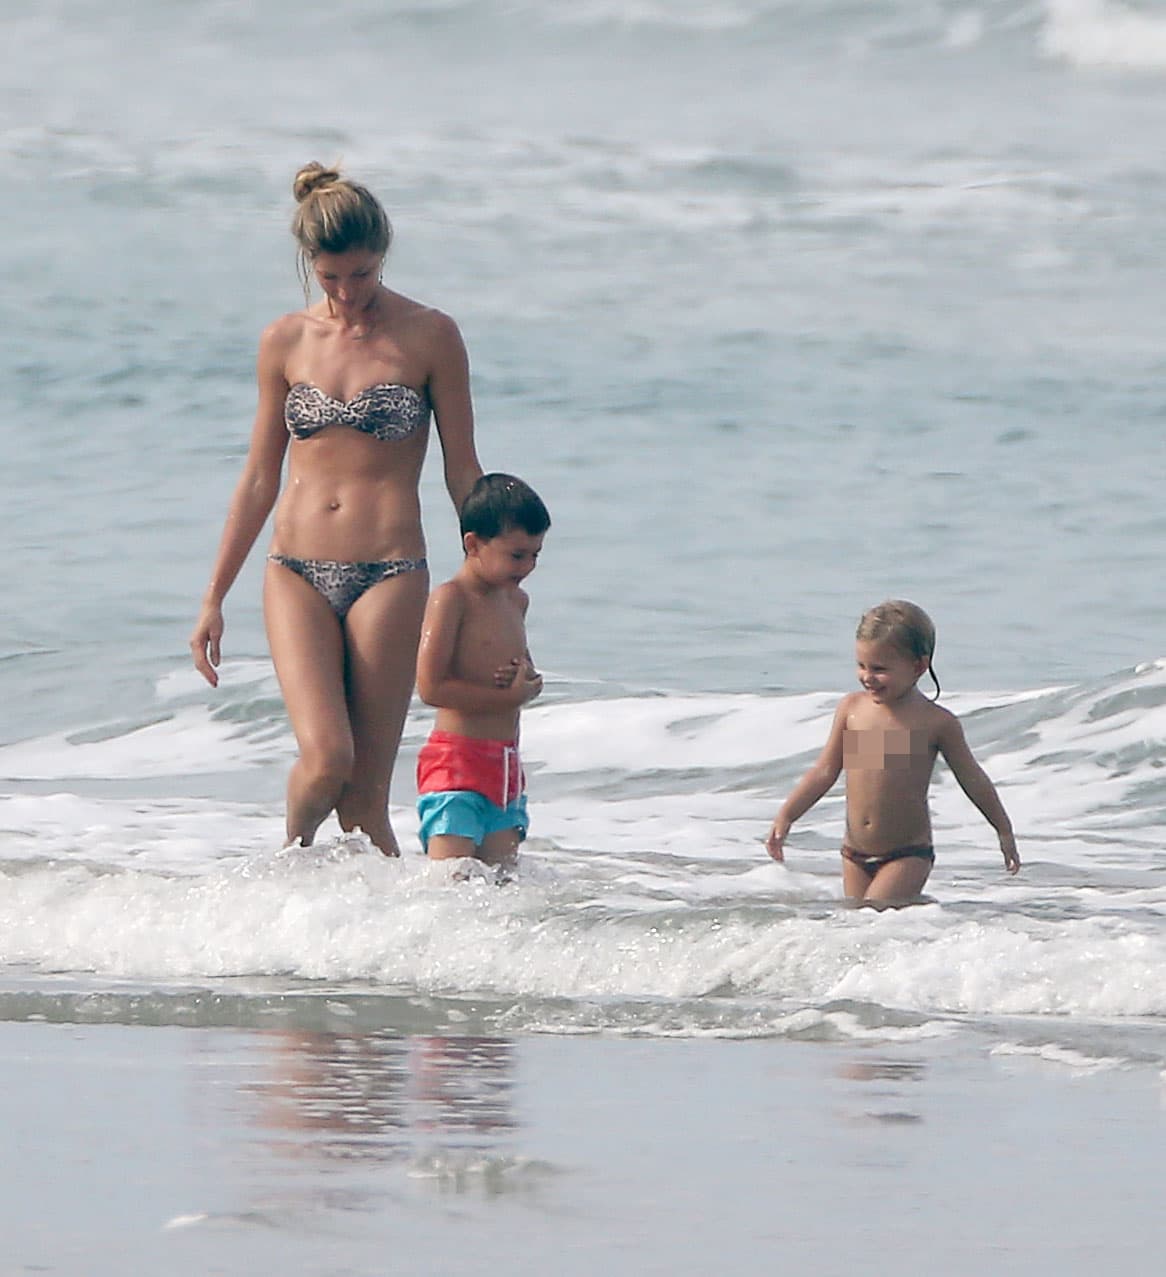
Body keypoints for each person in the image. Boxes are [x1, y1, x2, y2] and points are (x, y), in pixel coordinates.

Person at [190, 162, 483, 856]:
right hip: (294, 569)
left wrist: (487, 580)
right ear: (309, 263)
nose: (348, 293)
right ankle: (288, 867)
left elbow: (462, 466)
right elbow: (261, 476)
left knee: (364, 806)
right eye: (331, 277)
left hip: (390, 569)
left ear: (382, 255)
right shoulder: (284, 341)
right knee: (326, 760)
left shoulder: (431, 335)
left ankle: (381, 953)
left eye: (363, 274)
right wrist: (213, 597)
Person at [765, 600, 1020, 905]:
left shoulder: (935, 722)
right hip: (853, 853)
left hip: (907, 855)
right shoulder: (852, 710)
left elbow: (972, 779)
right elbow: (825, 771)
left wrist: (1002, 829)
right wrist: (787, 815)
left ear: (918, 667)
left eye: (880, 669)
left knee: (874, 916)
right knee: (859, 928)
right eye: (862, 666)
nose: (867, 677)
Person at [414, 473, 550, 871]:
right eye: (516, 555)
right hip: (456, 762)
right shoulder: (451, 600)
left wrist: (529, 682)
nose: (527, 566)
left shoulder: (516, 601)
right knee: (451, 883)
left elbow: (523, 672)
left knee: (500, 888)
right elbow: (431, 686)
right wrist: (506, 698)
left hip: (505, 766)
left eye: (535, 555)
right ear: (473, 544)